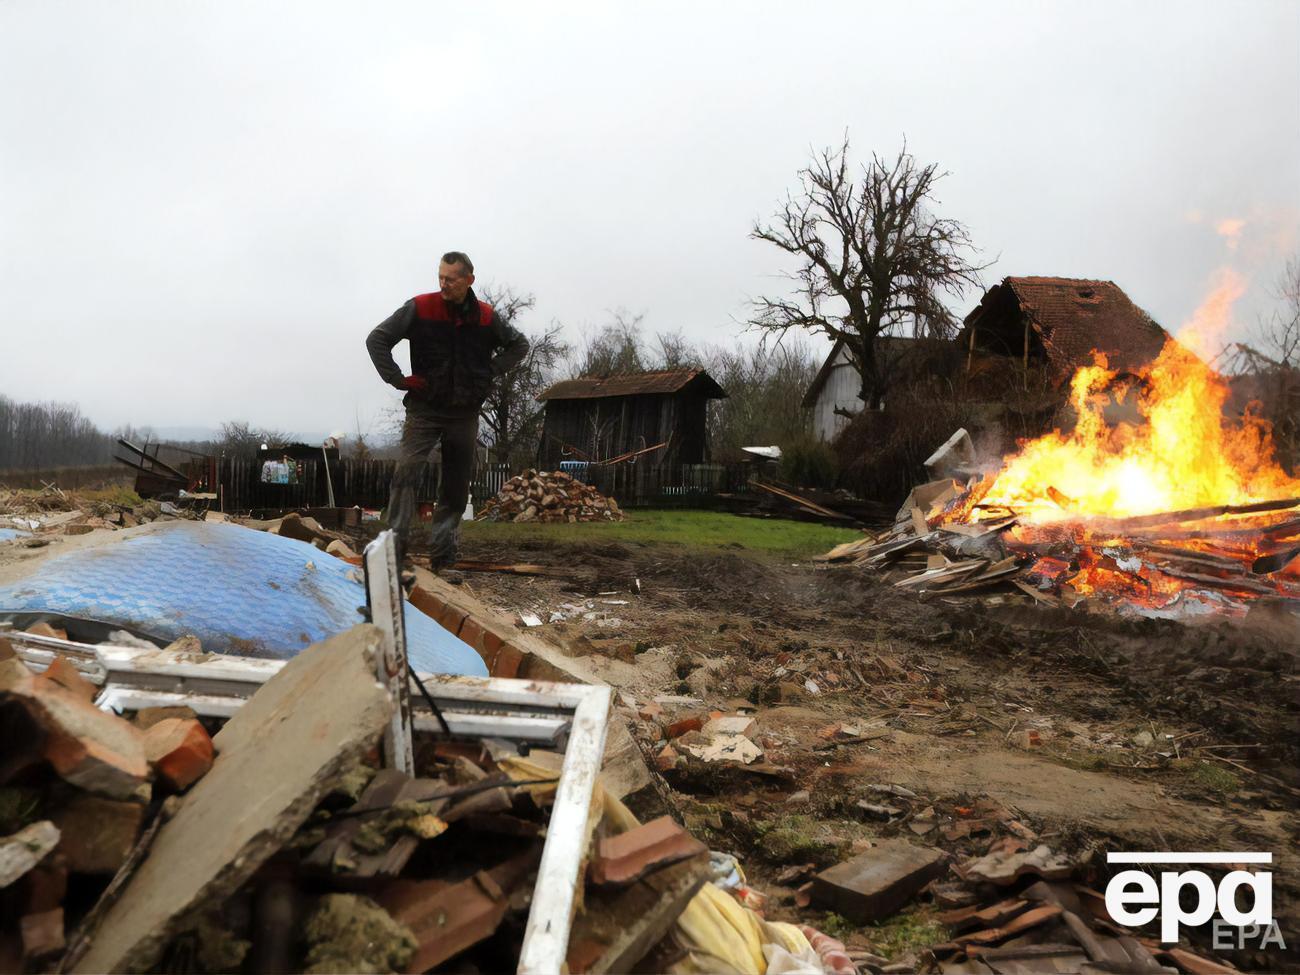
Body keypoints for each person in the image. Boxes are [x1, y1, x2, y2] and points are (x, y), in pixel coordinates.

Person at [366, 251, 529, 567]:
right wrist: (397, 379)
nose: (443, 284)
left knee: (455, 487)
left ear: (469, 280)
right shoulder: (421, 308)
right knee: (406, 473)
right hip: (424, 410)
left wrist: (489, 371)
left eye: (450, 279)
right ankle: (393, 555)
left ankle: (443, 558)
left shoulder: (485, 317)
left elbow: (519, 345)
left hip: (464, 413)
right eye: (440, 277)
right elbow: (378, 339)